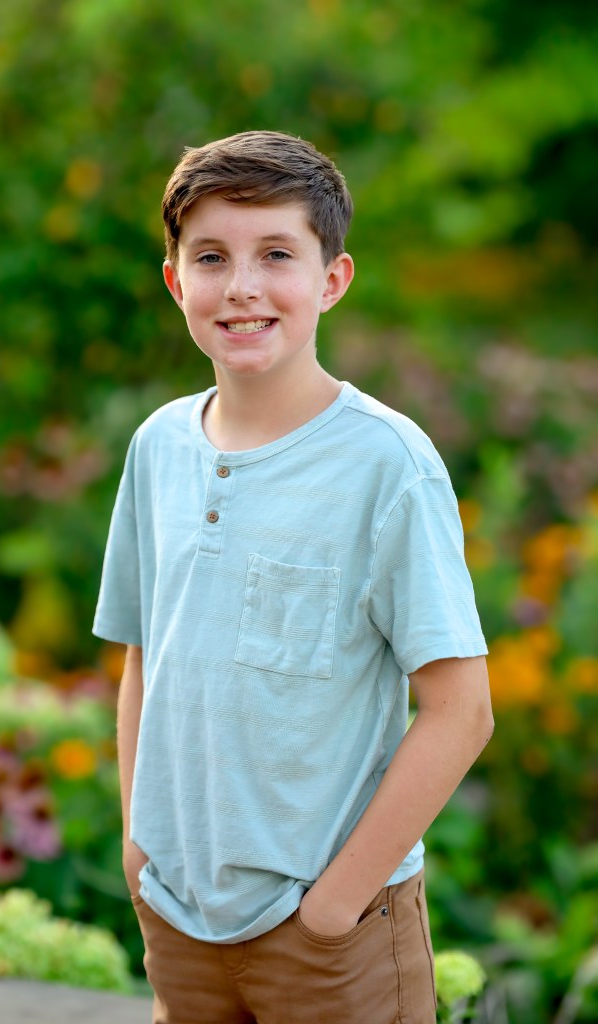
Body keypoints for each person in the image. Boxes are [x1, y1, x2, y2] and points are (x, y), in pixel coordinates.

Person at [93, 130, 493, 1024]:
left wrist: (332, 909)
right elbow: (143, 659)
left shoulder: (387, 464)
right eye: (211, 257)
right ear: (175, 282)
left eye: (276, 254)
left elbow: (461, 711)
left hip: (328, 941)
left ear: (331, 280)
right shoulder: (157, 448)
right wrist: (138, 847)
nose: (241, 286)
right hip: (178, 921)